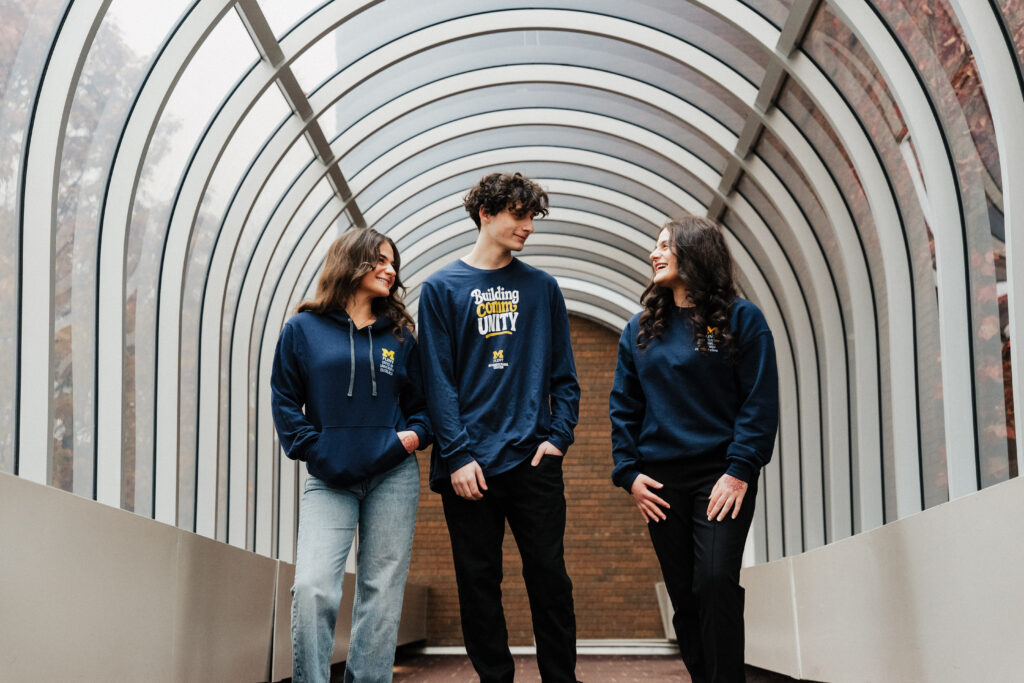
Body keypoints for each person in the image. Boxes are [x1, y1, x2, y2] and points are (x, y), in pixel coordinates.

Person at [417, 171, 581, 683]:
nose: (528, 226)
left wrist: (558, 438)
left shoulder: (542, 288)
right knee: (479, 582)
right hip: (469, 467)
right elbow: (437, 383)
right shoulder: (441, 288)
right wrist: (459, 454)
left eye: (532, 216)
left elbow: (565, 376)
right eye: (518, 214)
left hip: (533, 460)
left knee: (550, 578)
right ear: (485, 214)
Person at [609, 216, 779, 683]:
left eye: (665, 245)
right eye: (655, 246)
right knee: (684, 594)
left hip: (721, 476)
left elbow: (759, 401)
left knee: (715, 580)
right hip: (660, 483)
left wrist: (740, 469)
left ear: (695, 250)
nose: (654, 254)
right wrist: (629, 474)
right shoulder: (639, 330)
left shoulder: (743, 319)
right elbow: (624, 407)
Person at [270, 228, 431, 683]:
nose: (390, 269)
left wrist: (410, 439)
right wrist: (314, 449)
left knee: (381, 594)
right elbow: (285, 400)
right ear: (350, 262)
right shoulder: (303, 329)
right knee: (314, 587)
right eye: (379, 260)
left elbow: (422, 408)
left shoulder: (400, 335)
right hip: (329, 478)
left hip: (394, 475)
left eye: (392, 263)